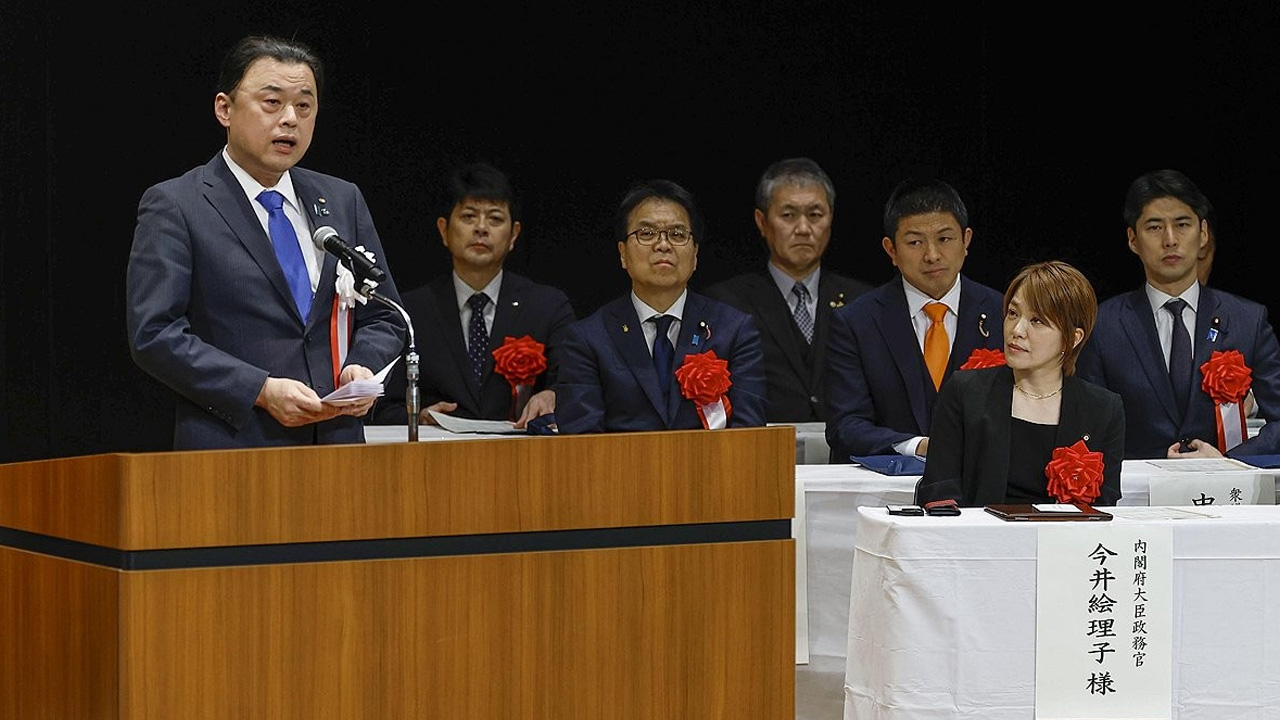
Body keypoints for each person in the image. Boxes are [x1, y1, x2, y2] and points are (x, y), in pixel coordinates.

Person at [125, 35, 406, 450]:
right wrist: (259, 389)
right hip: (234, 446)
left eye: (304, 106)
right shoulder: (177, 204)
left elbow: (386, 314)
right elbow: (156, 334)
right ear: (225, 108)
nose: (290, 119)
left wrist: (362, 366)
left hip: (337, 445)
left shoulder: (342, 199)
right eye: (272, 103)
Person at [1077, 168, 1280, 459]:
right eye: (1155, 227)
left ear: (1203, 233)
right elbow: (1087, 428)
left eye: (1182, 224)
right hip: (1135, 496)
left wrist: (1228, 461)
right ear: (1133, 240)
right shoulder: (1103, 325)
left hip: (1225, 494)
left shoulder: (1248, 320)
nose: (1170, 240)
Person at [369, 161, 576, 429]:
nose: (481, 228)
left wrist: (553, 395)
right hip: (439, 456)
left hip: (526, 459)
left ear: (513, 235)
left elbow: (577, 382)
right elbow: (379, 406)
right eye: (468, 216)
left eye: (495, 218)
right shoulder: (411, 311)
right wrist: (417, 417)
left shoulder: (548, 306)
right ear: (444, 230)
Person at [555, 179, 768, 433]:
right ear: (623, 253)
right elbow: (582, 441)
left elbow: (750, 436)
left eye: (677, 234)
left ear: (695, 254)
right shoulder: (587, 339)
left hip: (712, 471)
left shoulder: (734, 331)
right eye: (647, 234)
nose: (663, 245)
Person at [914, 261, 1125, 507]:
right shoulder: (965, 392)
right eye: (1013, 313)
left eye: (1037, 321)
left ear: (1073, 338)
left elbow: (1103, 508)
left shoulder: (1103, 409)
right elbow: (940, 492)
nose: (1017, 330)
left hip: (1062, 542)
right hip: (978, 539)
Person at [823, 177, 1004, 461]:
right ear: (891, 250)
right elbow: (844, 425)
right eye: (915, 242)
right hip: (885, 489)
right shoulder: (856, 322)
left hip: (983, 485)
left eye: (944, 239)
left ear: (966, 240)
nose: (932, 255)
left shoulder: (1004, 313)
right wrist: (916, 446)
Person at [704, 157, 873, 423]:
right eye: (788, 215)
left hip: (847, 456)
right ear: (762, 221)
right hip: (762, 451)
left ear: (831, 219)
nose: (804, 229)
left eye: (815, 215)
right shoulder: (726, 303)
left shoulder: (863, 302)